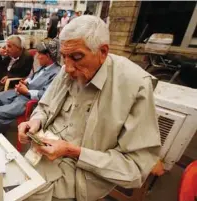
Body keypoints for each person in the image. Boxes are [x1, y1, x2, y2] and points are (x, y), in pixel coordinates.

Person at [18, 16, 161, 201]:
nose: (68, 68)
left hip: (82, 173)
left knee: (24, 195)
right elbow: (45, 107)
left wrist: (72, 151)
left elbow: (135, 169)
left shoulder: (135, 86)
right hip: (42, 154)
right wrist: (35, 122)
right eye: (63, 57)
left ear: (103, 51)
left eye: (77, 57)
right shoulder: (68, 68)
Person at [0, 39, 61, 137]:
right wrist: (25, 82)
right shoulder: (44, 67)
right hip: (23, 92)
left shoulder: (56, 73)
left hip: (29, 99)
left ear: (47, 56)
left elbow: (45, 94)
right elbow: (33, 77)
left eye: (39, 54)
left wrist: (27, 92)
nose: (37, 57)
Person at [0, 35, 33, 120]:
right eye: (6, 46)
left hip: (14, 82)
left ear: (18, 48)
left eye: (10, 46)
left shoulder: (27, 57)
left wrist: (9, 77)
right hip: (5, 78)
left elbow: (23, 73)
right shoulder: (11, 55)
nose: (7, 49)